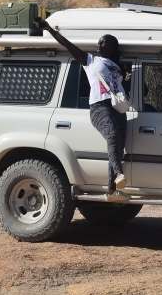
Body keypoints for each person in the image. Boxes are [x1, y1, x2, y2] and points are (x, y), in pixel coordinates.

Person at [36, 17, 127, 194]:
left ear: (112, 47)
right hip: (100, 107)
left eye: (104, 43)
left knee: (118, 145)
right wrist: (49, 29)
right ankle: (118, 174)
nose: (99, 45)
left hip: (117, 107)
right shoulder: (90, 60)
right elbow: (67, 45)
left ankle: (112, 188)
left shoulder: (117, 66)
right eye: (100, 42)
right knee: (113, 135)